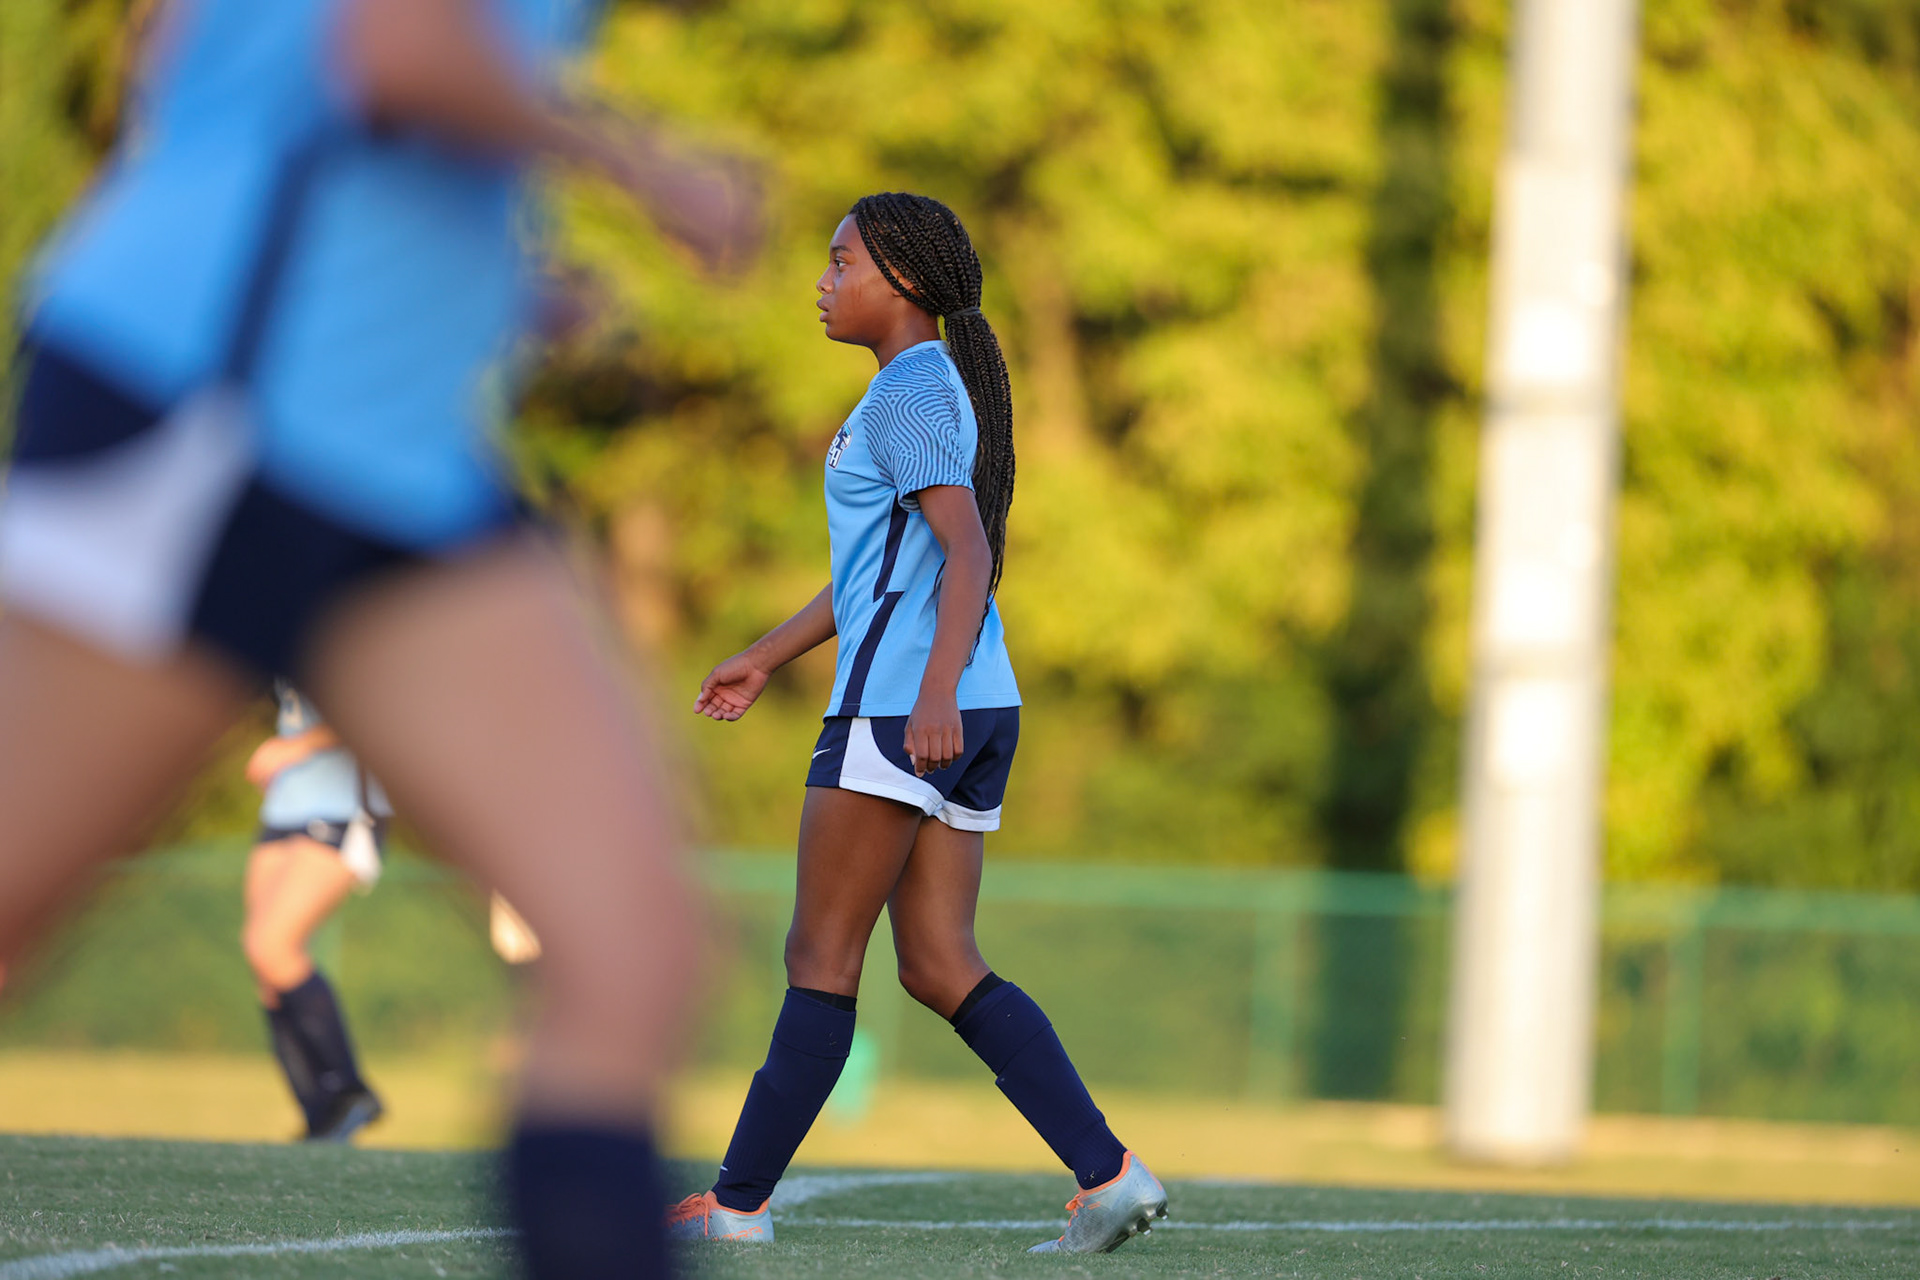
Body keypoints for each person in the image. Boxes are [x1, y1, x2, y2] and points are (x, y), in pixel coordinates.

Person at [0, 1, 757, 1275]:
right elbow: (396, 50)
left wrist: (468, 280)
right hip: (211, 407)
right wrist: (647, 165)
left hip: (398, 463)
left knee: (631, 946)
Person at [668, 192, 1168, 1255]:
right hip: (971, 696)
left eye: (839, 259)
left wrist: (930, 688)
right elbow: (882, 569)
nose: (823, 278)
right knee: (938, 961)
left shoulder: (909, 391)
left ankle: (738, 1204)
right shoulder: (920, 389)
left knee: (820, 953)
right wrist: (765, 652)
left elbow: (970, 550)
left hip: (909, 702)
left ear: (898, 278)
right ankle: (1112, 1175)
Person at [244, 681, 391, 1142]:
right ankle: (320, 1116)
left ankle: (350, 1091)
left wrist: (298, 747)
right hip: (283, 807)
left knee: (273, 946)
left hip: (342, 806)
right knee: (266, 971)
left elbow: (385, 705)